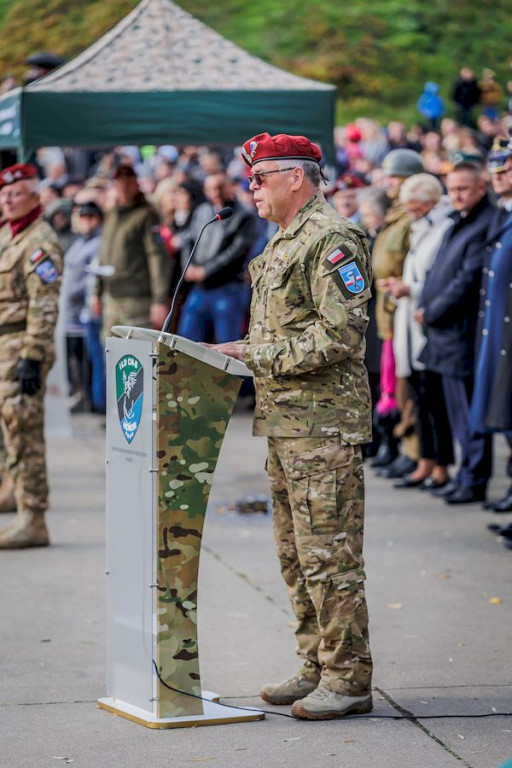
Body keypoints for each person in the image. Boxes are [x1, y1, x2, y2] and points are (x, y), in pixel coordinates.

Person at [211, 132, 373, 720]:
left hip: (324, 427)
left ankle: (349, 679)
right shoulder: (284, 239)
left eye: (260, 178)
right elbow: (280, 332)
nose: (251, 189)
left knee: (330, 558)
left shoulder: (331, 239)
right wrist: (241, 350)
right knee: (296, 554)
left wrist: (250, 355)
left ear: (295, 178)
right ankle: (316, 663)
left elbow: (340, 336)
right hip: (287, 424)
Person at [417, 162, 494, 504]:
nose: (457, 195)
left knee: (468, 412)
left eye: (464, 188)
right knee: (453, 410)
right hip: (443, 333)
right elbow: (438, 270)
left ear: (481, 188)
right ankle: (466, 475)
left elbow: (467, 280)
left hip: (460, 333)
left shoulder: (484, 224)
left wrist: (431, 310)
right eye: (453, 188)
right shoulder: (457, 221)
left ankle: (474, 478)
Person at [0, 163, 63, 548]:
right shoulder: (10, 235)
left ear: (35, 199)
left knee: (25, 431)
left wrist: (33, 355)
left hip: (21, 346)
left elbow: (44, 302)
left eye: (16, 193)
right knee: (9, 430)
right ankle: (13, 490)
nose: (7, 199)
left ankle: (33, 517)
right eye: (3, 194)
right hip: (4, 346)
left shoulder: (40, 242)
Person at [383, 174, 454, 489]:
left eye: (416, 205)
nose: (411, 210)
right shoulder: (419, 227)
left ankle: (442, 463)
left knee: (434, 399)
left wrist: (407, 288)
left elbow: (438, 279)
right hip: (409, 319)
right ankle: (426, 459)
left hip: (427, 322)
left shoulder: (442, 230)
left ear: (431, 203)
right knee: (418, 396)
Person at [371, 148, 424, 475]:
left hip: (405, 307)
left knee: (407, 384)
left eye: (394, 177)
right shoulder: (395, 214)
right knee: (393, 383)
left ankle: (414, 450)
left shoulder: (408, 218)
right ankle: (404, 447)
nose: (387, 182)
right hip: (388, 307)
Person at [470, 138, 512, 513]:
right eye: (496, 168)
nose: (499, 176)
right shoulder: (503, 213)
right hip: (499, 332)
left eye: (507, 167)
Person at [177, 173, 256, 343]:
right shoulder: (202, 210)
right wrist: (188, 267)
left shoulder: (244, 216)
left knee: (227, 344)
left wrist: (205, 270)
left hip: (227, 288)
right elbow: (188, 240)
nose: (215, 193)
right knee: (185, 342)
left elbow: (235, 252)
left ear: (228, 187)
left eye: (219, 188)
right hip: (200, 288)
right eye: (210, 189)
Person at [92, 166, 171, 336]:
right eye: (120, 183)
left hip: (137, 298)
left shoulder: (146, 215)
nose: (124, 187)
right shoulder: (111, 214)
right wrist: (96, 292)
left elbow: (157, 257)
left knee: (137, 352)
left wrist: (159, 300)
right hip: (111, 295)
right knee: (109, 347)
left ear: (137, 184)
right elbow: (103, 253)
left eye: (129, 182)